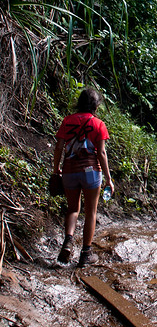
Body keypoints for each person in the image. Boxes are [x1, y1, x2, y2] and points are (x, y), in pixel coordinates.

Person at [52, 87, 114, 267]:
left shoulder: (67, 121)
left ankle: (68, 241)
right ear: (96, 105)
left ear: (79, 103)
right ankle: (85, 254)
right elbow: (101, 152)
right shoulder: (98, 124)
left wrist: (56, 169)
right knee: (90, 213)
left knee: (73, 209)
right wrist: (109, 179)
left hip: (70, 171)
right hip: (91, 172)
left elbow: (58, 147)